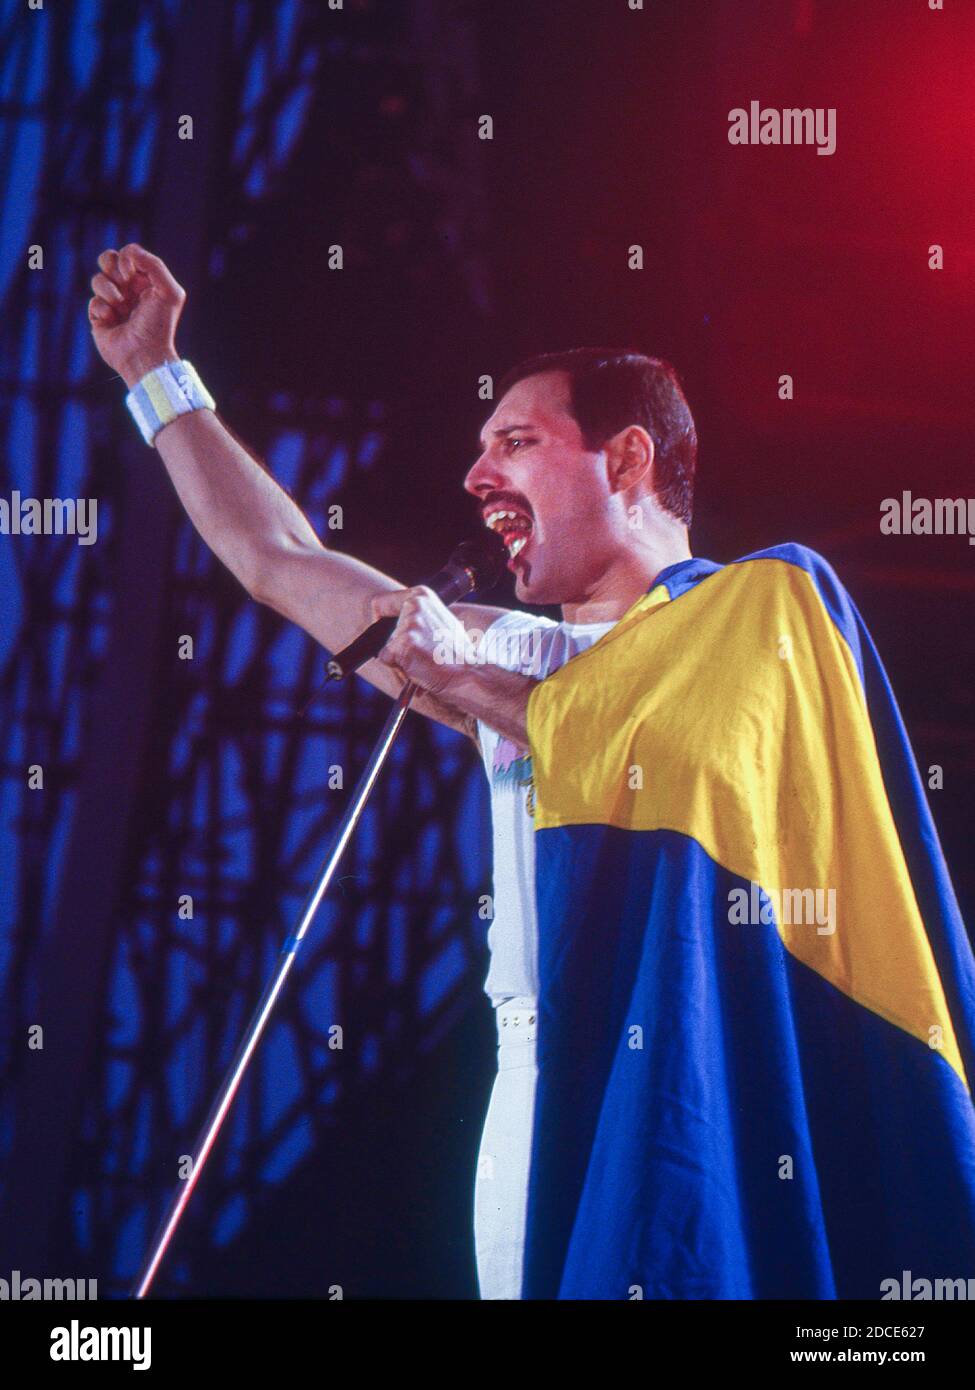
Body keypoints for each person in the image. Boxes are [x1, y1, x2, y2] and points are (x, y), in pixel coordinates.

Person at [88, 244, 693, 1299]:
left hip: (680, 1073)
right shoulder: (516, 649)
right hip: (531, 1073)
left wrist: (472, 681)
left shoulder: (756, 620)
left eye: (516, 441)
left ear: (628, 462)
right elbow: (280, 558)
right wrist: (154, 374)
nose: (475, 477)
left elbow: (650, 745)